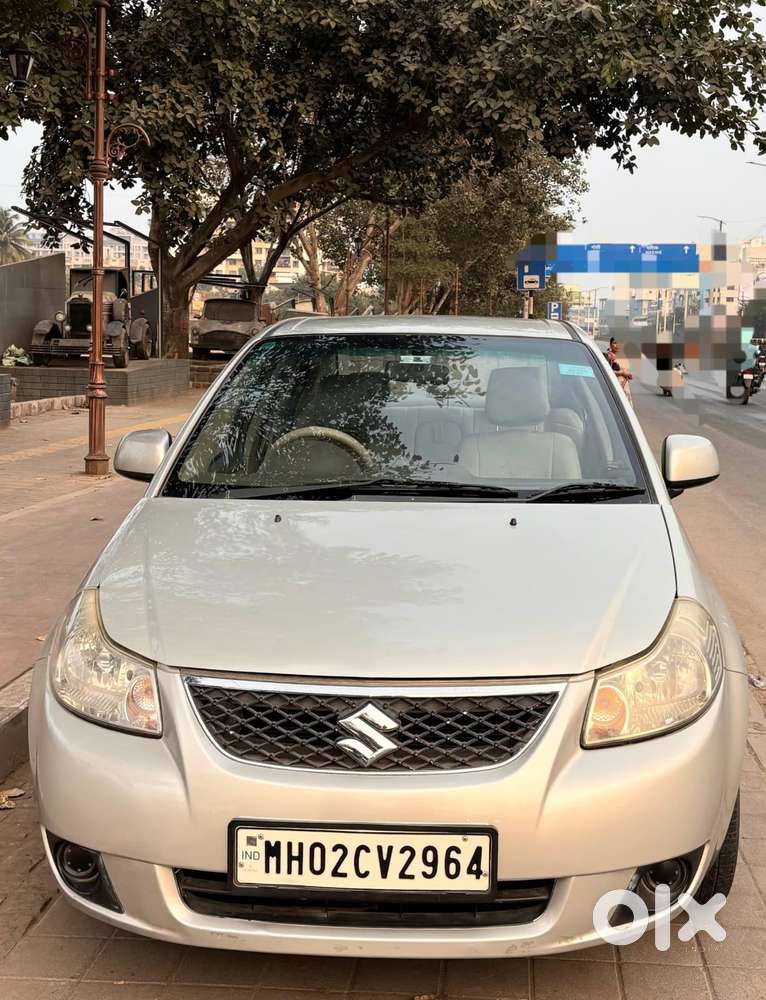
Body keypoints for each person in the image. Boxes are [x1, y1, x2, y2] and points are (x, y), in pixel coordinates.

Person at [605, 336, 633, 404]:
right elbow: (607, 371)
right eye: (615, 343)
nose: (617, 345)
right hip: (615, 387)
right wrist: (622, 373)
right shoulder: (609, 356)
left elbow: (628, 372)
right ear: (610, 344)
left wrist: (629, 375)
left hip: (625, 388)